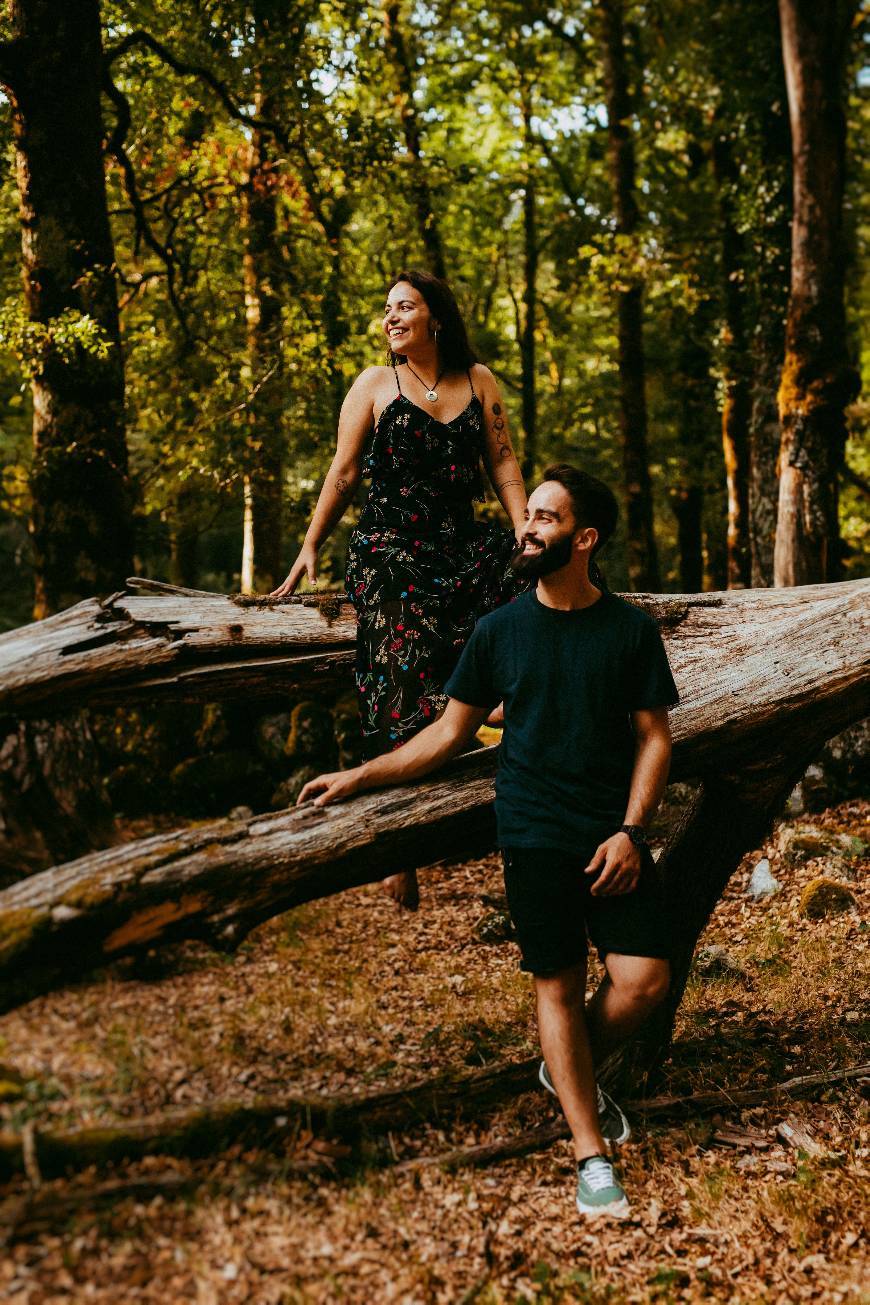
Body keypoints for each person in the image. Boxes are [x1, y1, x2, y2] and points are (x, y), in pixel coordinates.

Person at [297, 464, 679, 1221]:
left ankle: (564, 1066)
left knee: (644, 981)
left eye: (545, 517)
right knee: (558, 988)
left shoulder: (629, 630)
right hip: (533, 830)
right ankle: (590, 1154)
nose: (527, 527)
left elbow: (656, 739)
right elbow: (446, 734)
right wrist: (361, 774)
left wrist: (633, 830)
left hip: (612, 832)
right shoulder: (499, 631)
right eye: (528, 513)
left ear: (584, 538)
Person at [271, 270, 528, 910]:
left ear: (435, 318)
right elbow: (345, 471)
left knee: (518, 574)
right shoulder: (373, 385)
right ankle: (398, 838)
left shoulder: (479, 380)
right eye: (386, 309)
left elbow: (502, 461)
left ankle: (488, 706)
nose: (390, 318)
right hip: (389, 545)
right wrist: (310, 546)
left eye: (404, 307)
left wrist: (526, 529)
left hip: (459, 538)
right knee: (397, 636)